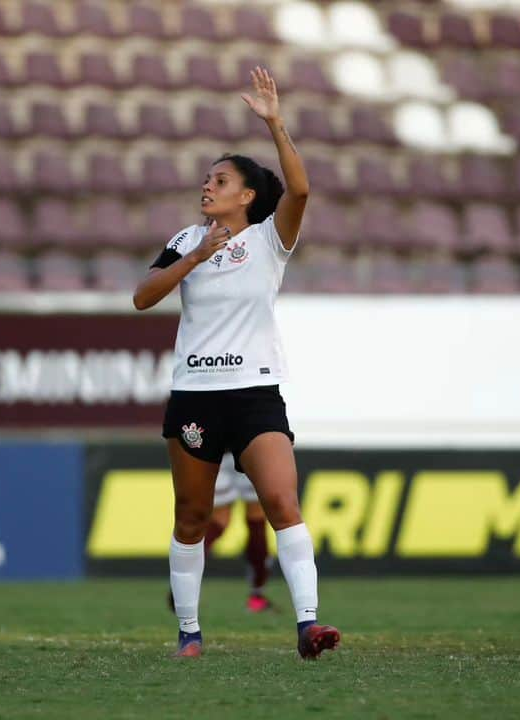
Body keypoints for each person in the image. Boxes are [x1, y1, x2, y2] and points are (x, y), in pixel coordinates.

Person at [133, 67, 340, 660]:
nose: (207, 186)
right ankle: (190, 634)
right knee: (193, 518)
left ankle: (308, 625)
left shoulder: (270, 238)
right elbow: (144, 295)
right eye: (206, 179)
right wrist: (195, 255)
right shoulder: (184, 240)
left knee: (282, 504)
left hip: (254, 394)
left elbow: (300, 191)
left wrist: (275, 122)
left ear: (246, 196)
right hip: (195, 394)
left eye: (219, 180)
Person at [166, 452, 276, 613]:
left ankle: (182, 588)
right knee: (256, 521)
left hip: (217, 452)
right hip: (250, 448)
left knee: (218, 521)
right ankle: (257, 597)